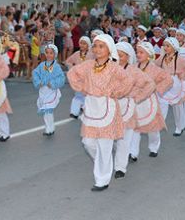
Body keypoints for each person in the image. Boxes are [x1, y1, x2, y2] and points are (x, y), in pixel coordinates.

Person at [67, 34, 133, 192]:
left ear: (109, 49)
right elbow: (72, 73)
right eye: (95, 46)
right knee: (88, 143)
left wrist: (116, 92)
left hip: (108, 107)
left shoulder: (114, 67)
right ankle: (104, 162)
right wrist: (82, 88)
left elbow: (128, 81)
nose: (96, 49)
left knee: (104, 145)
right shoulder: (89, 65)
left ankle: (102, 180)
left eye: (101, 46)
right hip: (91, 106)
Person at [113, 42, 154, 178]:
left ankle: (120, 168)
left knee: (124, 140)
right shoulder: (109, 68)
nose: (118, 58)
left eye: (122, 55)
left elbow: (150, 84)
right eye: (116, 54)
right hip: (109, 108)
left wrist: (137, 97)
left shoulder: (134, 71)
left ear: (128, 56)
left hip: (127, 108)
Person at [130, 42, 172, 162]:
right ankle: (133, 152)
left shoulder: (155, 69)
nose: (138, 54)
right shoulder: (133, 67)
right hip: (136, 99)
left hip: (150, 101)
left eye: (141, 52)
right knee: (135, 126)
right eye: (137, 52)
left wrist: (157, 89)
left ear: (149, 55)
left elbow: (168, 79)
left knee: (152, 127)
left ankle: (154, 147)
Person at [155, 37, 185, 137]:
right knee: (162, 104)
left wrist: (183, 75)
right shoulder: (162, 58)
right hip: (164, 83)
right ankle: (159, 125)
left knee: (177, 106)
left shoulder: (179, 59)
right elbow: (154, 65)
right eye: (164, 45)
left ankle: (179, 127)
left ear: (174, 47)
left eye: (167, 46)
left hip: (176, 84)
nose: (165, 48)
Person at [31, 44, 65, 136]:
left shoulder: (56, 67)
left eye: (51, 53)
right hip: (43, 90)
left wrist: (53, 83)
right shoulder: (42, 65)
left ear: (55, 54)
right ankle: (50, 127)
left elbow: (61, 78)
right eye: (47, 53)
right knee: (46, 110)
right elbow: (35, 73)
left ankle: (49, 129)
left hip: (51, 90)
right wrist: (38, 82)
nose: (49, 55)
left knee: (48, 109)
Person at [65, 36, 93, 118]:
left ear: (88, 45)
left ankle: (87, 111)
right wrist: (72, 68)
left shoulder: (92, 55)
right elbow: (68, 61)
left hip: (88, 78)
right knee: (78, 95)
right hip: (78, 78)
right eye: (81, 43)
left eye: (84, 44)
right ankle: (74, 112)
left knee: (87, 95)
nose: (82, 45)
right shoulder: (77, 54)